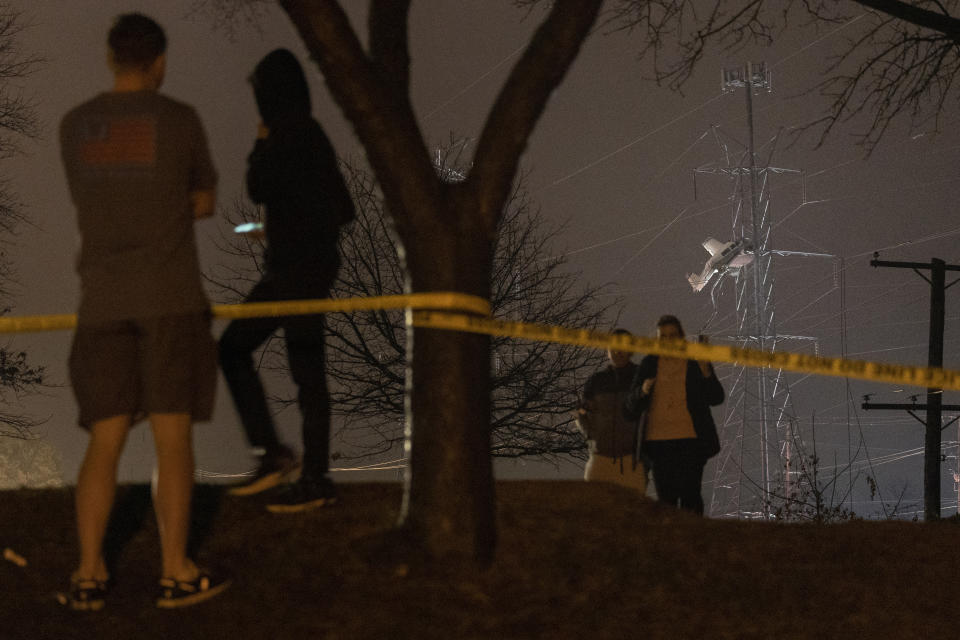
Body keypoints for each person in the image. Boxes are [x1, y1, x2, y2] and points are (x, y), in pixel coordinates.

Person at [59, 13, 229, 609]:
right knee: (171, 438)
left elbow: (94, 198)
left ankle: (87, 574)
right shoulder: (179, 120)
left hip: (101, 302)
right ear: (159, 61)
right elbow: (204, 199)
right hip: (168, 298)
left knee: (103, 443)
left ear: (110, 57)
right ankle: (176, 570)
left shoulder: (74, 125)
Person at [219, 48, 355, 512]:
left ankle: (305, 470)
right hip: (301, 265)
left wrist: (260, 144)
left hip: (296, 267)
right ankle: (295, 463)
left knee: (289, 365)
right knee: (295, 367)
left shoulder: (287, 134)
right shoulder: (313, 135)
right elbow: (342, 207)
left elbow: (259, 186)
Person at [624, 315, 724, 515]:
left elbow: (716, 397)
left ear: (682, 337)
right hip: (658, 443)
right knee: (666, 501)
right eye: (664, 336)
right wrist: (643, 390)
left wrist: (706, 372)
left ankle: (693, 542)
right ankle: (670, 543)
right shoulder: (649, 364)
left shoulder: (694, 363)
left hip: (690, 441)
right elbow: (629, 406)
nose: (669, 340)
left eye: (673, 335)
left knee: (690, 497)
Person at [576, 329, 648, 493]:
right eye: (613, 347)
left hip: (632, 460)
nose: (617, 351)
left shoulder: (641, 377)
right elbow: (582, 413)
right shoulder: (596, 381)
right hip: (600, 459)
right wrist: (591, 435)